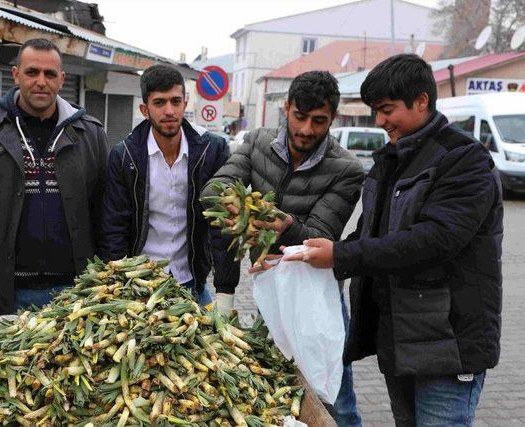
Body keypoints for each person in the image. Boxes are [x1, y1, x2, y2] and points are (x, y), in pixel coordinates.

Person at [283, 54, 503, 427]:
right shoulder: (391, 161)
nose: (380, 122)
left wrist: (341, 255)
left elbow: (433, 240)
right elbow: (368, 235)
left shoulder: (465, 161)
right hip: (401, 343)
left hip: (448, 346)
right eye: (376, 111)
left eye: (387, 110)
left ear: (421, 101)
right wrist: (299, 252)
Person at [201, 71, 365, 427]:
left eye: (318, 121)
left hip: (315, 297)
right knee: (278, 387)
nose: (307, 129)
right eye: (300, 117)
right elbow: (214, 188)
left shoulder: (346, 169)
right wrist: (236, 206)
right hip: (270, 294)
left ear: (332, 118)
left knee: (333, 397)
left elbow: (320, 235)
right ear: (286, 108)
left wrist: (286, 225)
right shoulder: (258, 142)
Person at [0, 38, 109, 323]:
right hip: (3, 291)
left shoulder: (90, 133)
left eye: (50, 74)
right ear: (15, 75)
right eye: (32, 72)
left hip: (75, 293)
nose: (41, 81)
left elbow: (105, 213)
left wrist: (108, 278)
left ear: (62, 79)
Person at [99, 64, 237, 306]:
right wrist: (118, 288)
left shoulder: (212, 150)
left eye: (175, 101)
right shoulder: (124, 156)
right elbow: (114, 226)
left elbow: (223, 225)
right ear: (145, 109)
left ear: (185, 103)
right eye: (160, 103)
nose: (169, 111)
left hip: (193, 282)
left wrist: (225, 290)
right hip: (142, 286)